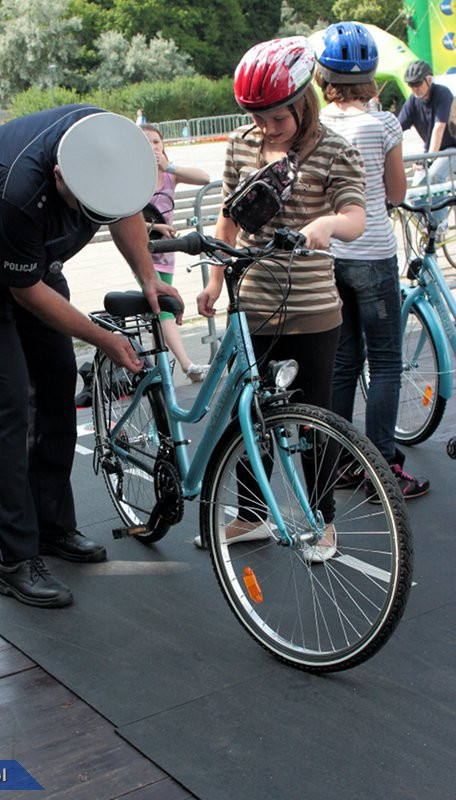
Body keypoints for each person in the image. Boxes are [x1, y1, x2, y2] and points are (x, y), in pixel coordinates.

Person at [0, 106, 184, 608]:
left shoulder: (111, 145)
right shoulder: (16, 187)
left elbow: (126, 207)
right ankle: (15, 560)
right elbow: (25, 293)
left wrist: (149, 277)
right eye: (82, 207)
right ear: (60, 172)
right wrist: (103, 339)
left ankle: (52, 527)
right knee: (10, 401)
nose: (89, 218)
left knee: (59, 381)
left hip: (36, 260)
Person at [195, 36, 367, 560]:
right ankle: (252, 516)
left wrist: (327, 224)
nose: (266, 128)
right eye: (259, 118)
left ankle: (323, 521)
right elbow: (229, 213)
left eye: (277, 118)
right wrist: (214, 280)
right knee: (250, 416)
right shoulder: (241, 145)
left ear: (303, 101)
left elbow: (357, 218)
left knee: (316, 423)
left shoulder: (335, 148)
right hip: (251, 304)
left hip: (313, 311)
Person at [315, 21, 430, 501]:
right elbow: (398, 192)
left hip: (330, 254)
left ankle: (340, 460)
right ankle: (382, 465)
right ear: (369, 75)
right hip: (373, 252)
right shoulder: (382, 123)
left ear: (325, 77)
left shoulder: (317, 127)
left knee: (343, 361)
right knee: (385, 362)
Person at [141, 123, 211, 381]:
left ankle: (158, 366)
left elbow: (204, 178)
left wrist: (167, 166)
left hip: (168, 251)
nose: (152, 147)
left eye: (156, 142)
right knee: (164, 308)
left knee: (158, 310)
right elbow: (125, 219)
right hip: (145, 250)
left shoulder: (169, 175)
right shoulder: (134, 177)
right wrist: (156, 226)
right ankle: (186, 365)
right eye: (146, 142)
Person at [398, 59, 456, 227]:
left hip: (451, 149)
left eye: (417, 84)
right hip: (430, 152)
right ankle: (428, 229)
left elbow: (439, 128)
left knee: (434, 176)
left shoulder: (442, 93)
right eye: (410, 85)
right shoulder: (412, 101)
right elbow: (396, 127)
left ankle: (440, 222)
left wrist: (428, 160)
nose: (414, 88)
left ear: (429, 80)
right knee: (414, 194)